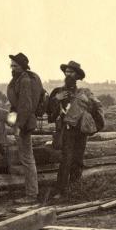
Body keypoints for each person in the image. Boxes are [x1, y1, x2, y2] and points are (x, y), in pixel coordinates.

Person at [44, 60, 103, 204]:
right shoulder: (57, 92)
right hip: (66, 130)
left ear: (77, 76)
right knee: (66, 160)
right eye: (67, 72)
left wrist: (86, 112)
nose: (68, 74)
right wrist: (56, 100)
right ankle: (60, 191)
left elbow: (96, 108)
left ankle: (75, 188)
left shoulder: (85, 93)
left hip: (81, 131)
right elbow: (49, 113)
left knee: (78, 159)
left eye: (72, 72)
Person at [0, 52, 44, 203]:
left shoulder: (25, 81)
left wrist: (18, 127)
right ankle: (1, 141)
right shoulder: (20, 78)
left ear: (22, 66)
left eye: (15, 66)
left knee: (27, 159)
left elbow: (26, 105)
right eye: (11, 65)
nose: (12, 67)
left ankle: (31, 195)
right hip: (20, 118)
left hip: (24, 122)